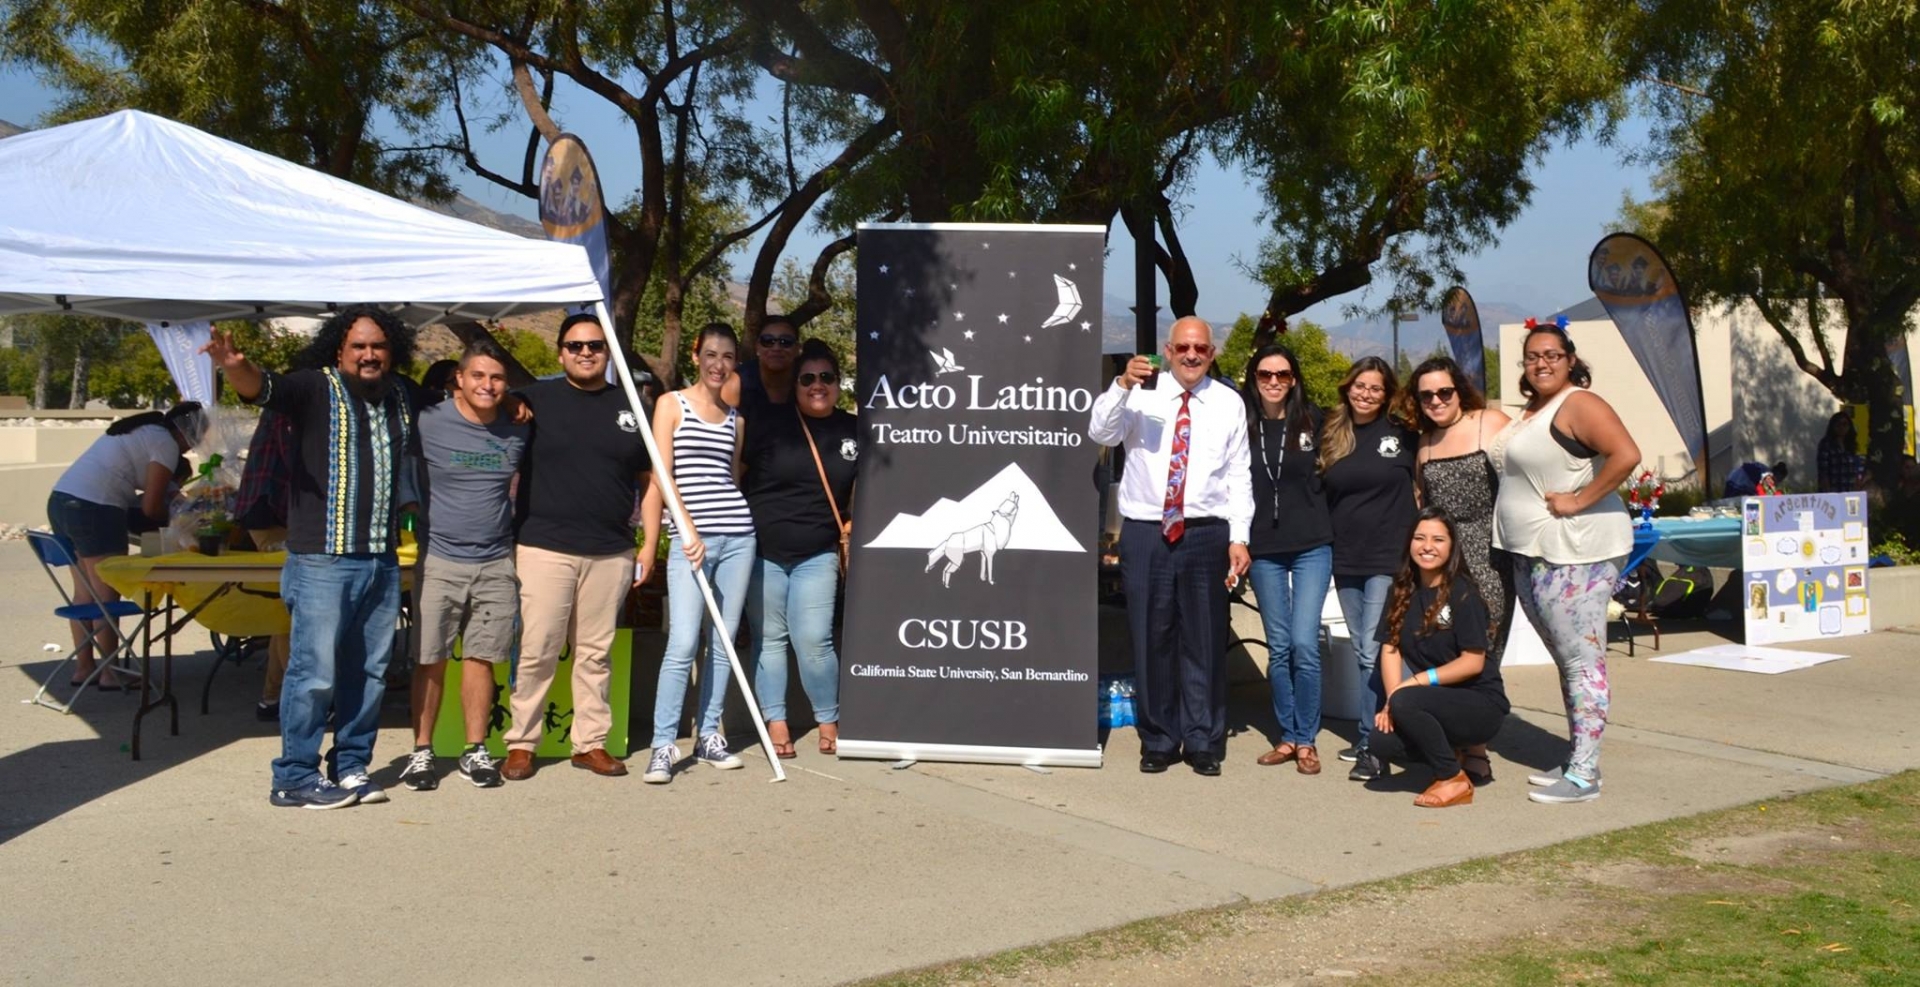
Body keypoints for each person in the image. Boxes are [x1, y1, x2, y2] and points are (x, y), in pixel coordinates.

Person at [203, 307, 422, 810]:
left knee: (367, 671)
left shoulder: (401, 395)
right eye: (359, 347)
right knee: (313, 671)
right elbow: (260, 387)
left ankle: (350, 768)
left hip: (379, 559)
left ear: (392, 352)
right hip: (321, 559)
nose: (369, 355)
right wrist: (234, 364)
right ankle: (294, 775)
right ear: (339, 350)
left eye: (379, 347)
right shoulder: (312, 388)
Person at [1089, 316, 1253, 777]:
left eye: (1200, 348)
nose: (1192, 355)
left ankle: (1203, 739)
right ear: (1169, 348)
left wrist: (1239, 535)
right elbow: (1100, 433)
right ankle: (1158, 738)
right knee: (1151, 635)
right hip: (1145, 531)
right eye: (1183, 347)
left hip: (1206, 531)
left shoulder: (1228, 403)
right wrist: (1121, 384)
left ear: (1212, 352)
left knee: (1204, 638)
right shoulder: (1142, 392)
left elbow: (1239, 474)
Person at [502, 312, 657, 782]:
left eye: (594, 345)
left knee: (595, 653)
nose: (585, 352)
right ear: (560, 352)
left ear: (607, 352)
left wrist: (649, 544)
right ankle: (521, 744)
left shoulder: (632, 406)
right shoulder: (533, 401)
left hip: (611, 550)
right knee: (538, 648)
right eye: (575, 345)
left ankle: (589, 743)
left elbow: (649, 481)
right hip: (544, 546)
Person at [1490, 318, 1639, 804]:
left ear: (1570, 359)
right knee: (1567, 660)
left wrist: (1578, 500)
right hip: (1534, 552)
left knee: (1582, 660)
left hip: (1577, 552)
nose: (1542, 363)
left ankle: (1585, 774)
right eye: (1532, 356)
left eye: (1552, 354)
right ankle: (1580, 754)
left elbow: (1625, 454)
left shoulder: (1580, 403)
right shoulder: (1536, 410)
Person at [397, 340, 528, 791]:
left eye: (496, 378)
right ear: (459, 378)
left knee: (482, 658)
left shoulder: (518, 426)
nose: (487, 385)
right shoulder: (430, 421)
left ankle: (475, 750)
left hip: (495, 560)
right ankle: (421, 751)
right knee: (429, 658)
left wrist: (519, 403)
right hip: (440, 559)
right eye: (478, 376)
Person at [643, 322, 758, 784]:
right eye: (711, 354)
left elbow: (728, 479)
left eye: (727, 357)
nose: (718, 364)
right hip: (691, 542)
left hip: (738, 538)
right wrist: (682, 528)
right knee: (683, 641)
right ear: (697, 356)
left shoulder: (737, 421)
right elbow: (662, 476)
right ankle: (662, 746)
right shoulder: (671, 405)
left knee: (724, 644)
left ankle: (709, 734)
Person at [743, 339, 856, 758]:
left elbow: (872, 487)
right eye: (807, 378)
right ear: (794, 385)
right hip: (763, 553)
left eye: (826, 377)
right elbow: (737, 475)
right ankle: (777, 723)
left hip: (818, 553)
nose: (817, 385)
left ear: (838, 383)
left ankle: (829, 720)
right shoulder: (768, 425)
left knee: (814, 640)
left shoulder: (854, 430)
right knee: (769, 639)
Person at [46, 402, 207, 693]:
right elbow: (151, 507)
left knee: (84, 592)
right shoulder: (166, 444)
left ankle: (84, 668)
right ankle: (110, 672)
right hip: (96, 507)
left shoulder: (144, 430)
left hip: (61, 499)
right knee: (106, 592)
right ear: (190, 434)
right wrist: (179, 521)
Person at [1403, 356, 1512, 783]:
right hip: (1441, 560)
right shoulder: (1425, 442)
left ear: (1459, 390)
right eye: (1426, 394)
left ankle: (1477, 750)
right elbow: (1420, 500)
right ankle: (1452, 741)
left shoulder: (1492, 423)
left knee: (1481, 649)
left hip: (1489, 557)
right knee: (1445, 646)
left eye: (1444, 391)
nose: (1435, 400)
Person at [1365, 507, 1509, 808]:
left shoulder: (1463, 593)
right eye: (1419, 538)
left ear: (1452, 546)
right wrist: (1393, 702)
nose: (1427, 546)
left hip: (1480, 705)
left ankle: (1452, 778)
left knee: (1407, 700)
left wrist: (1414, 684)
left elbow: (1473, 662)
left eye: (1438, 539)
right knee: (1380, 741)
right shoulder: (1401, 590)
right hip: (1433, 701)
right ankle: (1450, 753)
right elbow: (1390, 649)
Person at [1319, 356, 1417, 783]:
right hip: (1346, 557)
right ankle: (1380, 729)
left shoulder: (1403, 434)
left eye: (1376, 388)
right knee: (1364, 646)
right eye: (1360, 385)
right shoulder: (1331, 434)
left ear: (1388, 393)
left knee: (1372, 650)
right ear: (1348, 387)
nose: (1366, 394)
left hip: (1387, 557)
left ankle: (1373, 738)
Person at [1239, 344, 1334, 776]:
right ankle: (1289, 736)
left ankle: (1308, 738)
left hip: (1312, 545)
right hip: (1264, 550)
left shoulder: (1316, 420)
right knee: (1278, 648)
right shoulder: (1241, 425)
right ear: (1253, 379)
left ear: (1294, 379)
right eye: (1265, 375)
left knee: (1302, 644)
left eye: (1282, 374)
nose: (1273, 382)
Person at [234, 404, 296, 720]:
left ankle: (271, 698)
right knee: (290, 611)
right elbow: (301, 463)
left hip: (270, 511)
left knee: (284, 610)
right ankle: (299, 701)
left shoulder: (284, 406)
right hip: (272, 512)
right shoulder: (291, 408)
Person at [722, 314, 799, 420]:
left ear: (797, 349)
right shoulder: (737, 382)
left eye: (785, 341)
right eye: (767, 341)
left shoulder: (808, 381)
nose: (776, 348)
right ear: (757, 346)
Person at [1817, 412, 1865, 492]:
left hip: (1850, 490)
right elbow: (1823, 471)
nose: (1841, 427)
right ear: (1833, 426)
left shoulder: (1852, 445)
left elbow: (1857, 469)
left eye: (1845, 424)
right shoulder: (1826, 444)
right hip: (1833, 490)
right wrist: (1828, 493)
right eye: (1838, 424)